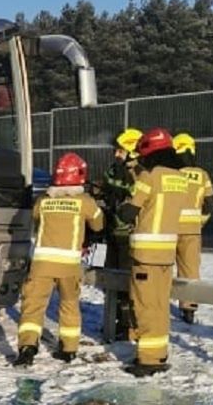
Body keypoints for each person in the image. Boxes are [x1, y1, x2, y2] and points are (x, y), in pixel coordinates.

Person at [13, 152, 104, 367]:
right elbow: (99, 224)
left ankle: (27, 348)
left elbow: (35, 217)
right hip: (69, 265)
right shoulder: (84, 201)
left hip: (42, 263)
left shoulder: (44, 200)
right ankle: (68, 349)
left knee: (32, 305)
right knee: (69, 305)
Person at [114, 128, 189, 376]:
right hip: (167, 253)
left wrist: (123, 203)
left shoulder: (150, 176)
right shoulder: (179, 178)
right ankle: (159, 352)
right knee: (159, 305)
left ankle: (148, 360)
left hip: (145, 253)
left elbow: (129, 212)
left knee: (144, 305)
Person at [93, 127, 142, 341]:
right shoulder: (114, 170)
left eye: (120, 151)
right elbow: (106, 186)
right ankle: (114, 322)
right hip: (114, 233)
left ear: (131, 151)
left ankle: (128, 326)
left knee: (126, 285)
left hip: (130, 237)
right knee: (110, 280)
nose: (116, 154)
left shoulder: (142, 174)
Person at [172, 132, 213, 324]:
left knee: (162, 269)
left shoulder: (171, 174)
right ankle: (189, 309)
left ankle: (155, 301)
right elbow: (209, 203)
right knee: (189, 270)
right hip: (191, 230)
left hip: (168, 228)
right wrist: (200, 221)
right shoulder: (202, 175)